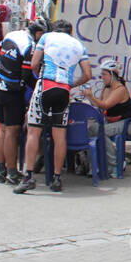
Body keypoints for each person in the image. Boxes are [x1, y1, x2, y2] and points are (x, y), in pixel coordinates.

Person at [15, 20, 91, 194]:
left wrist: (39, 77)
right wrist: (72, 84)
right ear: (70, 32)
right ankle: (57, 178)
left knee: (34, 132)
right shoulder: (79, 45)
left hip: (45, 85)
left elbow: (34, 64)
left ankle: (28, 177)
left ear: (55, 29)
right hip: (64, 90)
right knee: (60, 135)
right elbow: (88, 74)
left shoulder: (46, 37)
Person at [0, 22, 44, 185]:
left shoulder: (11, 35)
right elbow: (27, 75)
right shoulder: (29, 45)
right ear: (37, 32)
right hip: (12, 92)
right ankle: (12, 172)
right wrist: (39, 88)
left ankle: (0, 170)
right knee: (12, 132)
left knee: (3, 129)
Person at [82, 58, 131, 176]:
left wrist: (91, 97)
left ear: (112, 75)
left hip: (129, 123)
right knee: (90, 129)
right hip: (113, 121)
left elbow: (106, 105)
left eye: (104, 74)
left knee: (99, 131)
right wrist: (88, 98)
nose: (102, 77)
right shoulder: (106, 88)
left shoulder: (120, 89)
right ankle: (96, 163)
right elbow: (100, 106)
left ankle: (115, 163)